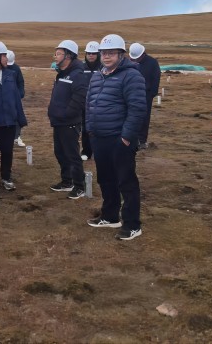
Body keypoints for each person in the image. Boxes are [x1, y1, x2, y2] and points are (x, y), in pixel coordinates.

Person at [85, 34, 146, 240]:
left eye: (111, 53)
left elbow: (137, 109)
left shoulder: (131, 76)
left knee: (126, 181)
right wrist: (90, 128)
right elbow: (89, 103)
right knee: (105, 179)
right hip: (99, 137)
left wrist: (126, 137)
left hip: (119, 139)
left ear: (121, 54)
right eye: (104, 53)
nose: (106, 56)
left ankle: (132, 224)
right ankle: (110, 216)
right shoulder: (97, 75)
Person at [48, 40, 89, 199]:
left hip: (69, 122)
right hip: (59, 121)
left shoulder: (77, 74)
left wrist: (66, 114)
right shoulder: (62, 73)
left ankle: (79, 186)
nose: (55, 56)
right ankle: (67, 181)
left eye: (59, 53)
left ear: (69, 55)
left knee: (72, 155)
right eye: (56, 53)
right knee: (60, 152)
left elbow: (79, 98)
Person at [0, 42, 27, 192]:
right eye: (3, 55)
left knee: (7, 151)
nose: (6, 58)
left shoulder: (10, 74)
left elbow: (16, 97)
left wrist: (20, 119)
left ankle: (6, 177)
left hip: (9, 121)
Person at [129, 42, 161, 149]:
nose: (135, 60)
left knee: (144, 118)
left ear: (143, 54)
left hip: (145, 95)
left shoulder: (152, 63)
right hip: (130, 93)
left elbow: (156, 79)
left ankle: (142, 140)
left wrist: (151, 94)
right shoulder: (128, 62)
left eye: (137, 58)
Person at [81, 41, 101, 160]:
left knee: (100, 128)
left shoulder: (103, 68)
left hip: (100, 104)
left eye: (93, 53)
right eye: (89, 53)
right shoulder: (81, 68)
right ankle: (86, 151)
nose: (91, 55)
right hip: (85, 104)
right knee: (85, 128)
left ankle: (99, 151)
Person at [7, 49, 26, 148]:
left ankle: (17, 136)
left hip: (15, 98)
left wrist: (20, 94)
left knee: (17, 117)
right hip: (3, 98)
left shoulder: (16, 68)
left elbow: (20, 82)